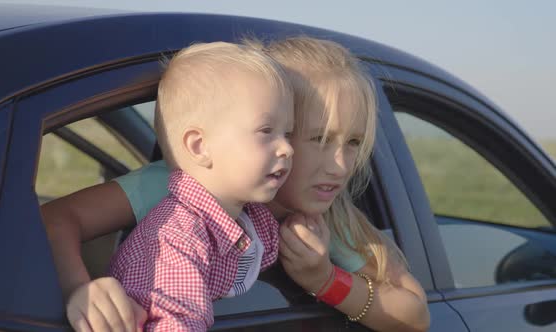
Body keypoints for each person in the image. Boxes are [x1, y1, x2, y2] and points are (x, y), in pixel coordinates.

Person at [42, 37, 430, 332]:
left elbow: (415, 313)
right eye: (316, 139)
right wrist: (80, 288)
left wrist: (324, 279)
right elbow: (57, 219)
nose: (341, 165)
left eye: (353, 143)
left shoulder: (325, 219)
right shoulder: (177, 186)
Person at [108, 41, 294, 331]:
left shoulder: (250, 217)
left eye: (289, 133)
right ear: (200, 146)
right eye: (266, 131)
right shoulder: (175, 240)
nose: (287, 148)